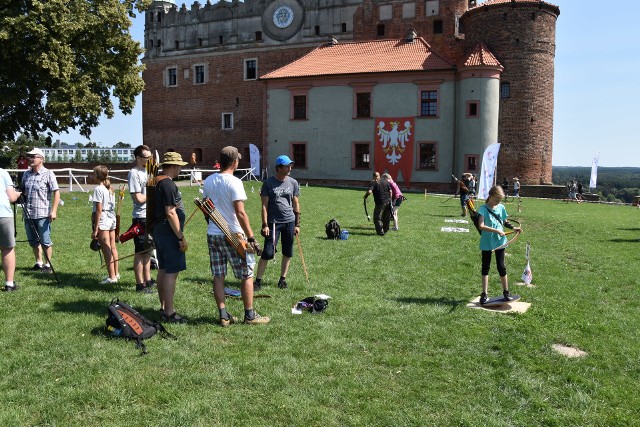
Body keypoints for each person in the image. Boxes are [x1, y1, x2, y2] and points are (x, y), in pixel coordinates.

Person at [203, 146, 269, 326]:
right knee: (246, 274)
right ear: (234, 162)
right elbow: (240, 213)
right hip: (233, 235)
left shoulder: (208, 180)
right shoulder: (235, 182)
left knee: (218, 275)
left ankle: (223, 315)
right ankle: (250, 316)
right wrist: (252, 237)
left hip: (213, 233)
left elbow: (206, 209)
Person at [254, 155, 300, 291]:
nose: (290, 168)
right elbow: (264, 206)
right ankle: (257, 281)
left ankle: (282, 280)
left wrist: (297, 224)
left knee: (288, 252)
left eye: (290, 165)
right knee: (268, 253)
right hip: (273, 223)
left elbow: (296, 203)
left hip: (289, 221)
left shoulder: (293, 183)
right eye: (287, 166)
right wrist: (265, 224)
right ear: (279, 168)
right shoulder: (268, 183)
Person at [152, 152, 189, 323]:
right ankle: (169, 311)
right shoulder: (167, 184)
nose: (181, 169)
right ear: (173, 166)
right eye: (180, 166)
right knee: (171, 272)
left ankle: (164, 307)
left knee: (164, 269)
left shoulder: (157, 180)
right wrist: (180, 236)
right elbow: (170, 211)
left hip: (161, 231)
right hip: (168, 232)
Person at [477, 185, 521, 304]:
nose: (498, 202)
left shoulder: (501, 207)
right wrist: (497, 230)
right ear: (490, 196)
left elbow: (504, 221)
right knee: (485, 267)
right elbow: (481, 226)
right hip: (487, 243)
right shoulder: (483, 209)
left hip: (500, 242)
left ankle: (506, 292)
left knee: (501, 266)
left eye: (499, 200)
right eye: (496, 199)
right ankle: (484, 294)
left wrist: (514, 228)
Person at [19, 148, 60, 273]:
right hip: (28, 213)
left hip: (42, 213)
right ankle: (39, 262)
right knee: (33, 241)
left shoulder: (48, 173)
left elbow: (56, 192)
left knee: (45, 240)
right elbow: (22, 191)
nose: (30, 158)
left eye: (33, 156)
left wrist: (54, 211)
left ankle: (48, 265)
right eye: (29, 156)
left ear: (41, 159)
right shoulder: (26, 174)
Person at [127, 145, 155, 293]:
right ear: (138, 158)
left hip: (150, 216)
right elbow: (138, 198)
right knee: (140, 251)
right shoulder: (134, 173)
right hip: (140, 218)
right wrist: (152, 193)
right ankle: (140, 284)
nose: (149, 160)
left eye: (150, 157)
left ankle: (148, 280)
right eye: (147, 158)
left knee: (148, 250)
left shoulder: (148, 171)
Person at [92, 165, 119, 284]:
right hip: (112, 218)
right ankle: (116, 273)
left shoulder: (98, 189)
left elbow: (98, 209)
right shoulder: (110, 188)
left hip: (104, 218)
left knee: (106, 248)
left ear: (97, 176)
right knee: (112, 247)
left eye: (94, 174)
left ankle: (112, 277)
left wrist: (95, 228)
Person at [0, 168, 22, 291]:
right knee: (7, 249)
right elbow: (12, 198)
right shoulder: (3, 173)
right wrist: (18, 194)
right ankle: (9, 283)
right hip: (3, 214)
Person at [364, 172, 392, 236]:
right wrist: (390, 199)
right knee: (386, 217)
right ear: (379, 176)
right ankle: (385, 230)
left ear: (373, 176)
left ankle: (380, 232)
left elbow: (369, 191)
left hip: (380, 203)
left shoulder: (373, 182)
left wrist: (365, 196)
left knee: (377, 218)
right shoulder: (385, 181)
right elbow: (390, 191)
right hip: (388, 201)